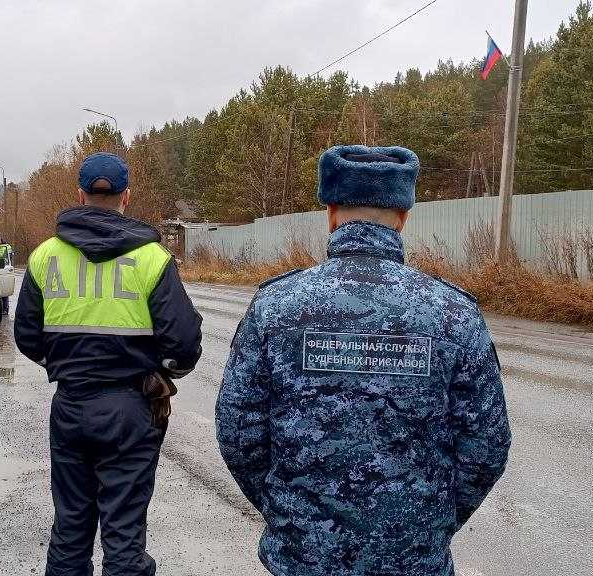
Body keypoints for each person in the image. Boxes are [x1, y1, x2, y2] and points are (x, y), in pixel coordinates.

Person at [215, 145, 511, 576]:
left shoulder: (276, 306)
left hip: (304, 559)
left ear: (331, 212)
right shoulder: (453, 313)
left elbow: (239, 431)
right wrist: (427, 525)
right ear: (404, 217)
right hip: (413, 559)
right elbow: (486, 444)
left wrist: (291, 515)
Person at [15, 151, 203, 576]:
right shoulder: (152, 258)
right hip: (131, 409)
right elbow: (184, 345)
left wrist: (68, 364)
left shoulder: (46, 256)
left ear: (80, 195)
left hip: (71, 406)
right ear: (127, 196)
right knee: (123, 533)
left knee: (70, 528)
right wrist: (160, 372)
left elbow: (27, 338)